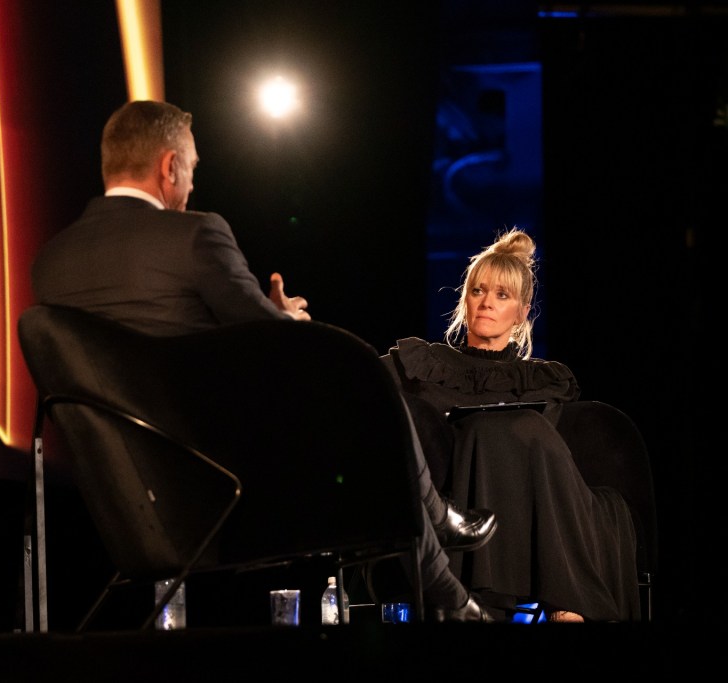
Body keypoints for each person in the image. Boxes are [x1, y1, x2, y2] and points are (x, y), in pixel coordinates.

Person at [32, 99, 496, 622]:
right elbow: (273, 350)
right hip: (227, 483)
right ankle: (447, 570)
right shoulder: (193, 234)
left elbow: (150, 355)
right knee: (367, 387)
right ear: (170, 166)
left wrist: (262, 319)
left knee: (370, 396)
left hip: (119, 494)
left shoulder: (52, 262)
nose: (191, 188)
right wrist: (287, 324)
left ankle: (449, 577)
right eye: (192, 170)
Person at [381, 227, 641, 622]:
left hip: (539, 503)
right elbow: (358, 382)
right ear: (464, 299)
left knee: (523, 430)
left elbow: (551, 463)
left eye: (502, 295)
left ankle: (567, 608)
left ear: (522, 312)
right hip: (454, 503)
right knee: (488, 430)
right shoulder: (423, 364)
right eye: (478, 291)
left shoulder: (542, 379)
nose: (486, 303)